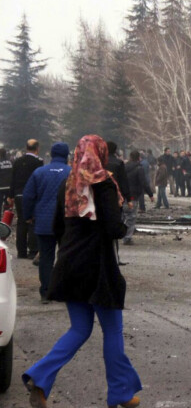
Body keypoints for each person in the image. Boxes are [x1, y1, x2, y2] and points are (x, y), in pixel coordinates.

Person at [22, 135, 141, 408]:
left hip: (69, 265)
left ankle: (39, 378)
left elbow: (57, 226)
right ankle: (120, 393)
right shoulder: (104, 183)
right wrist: (123, 228)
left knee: (79, 329)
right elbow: (113, 227)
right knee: (112, 330)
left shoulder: (69, 183)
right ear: (100, 154)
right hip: (97, 267)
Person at [22, 143, 72, 303]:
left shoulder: (39, 172)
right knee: (66, 256)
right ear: (66, 156)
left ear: (51, 154)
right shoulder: (72, 173)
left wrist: (28, 215)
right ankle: (64, 290)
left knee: (45, 258)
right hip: (67, 222)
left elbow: (28, 196)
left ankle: (46, 292)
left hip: (44, 222)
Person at [8, 139, 43, 259]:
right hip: (32, 195)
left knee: (21, 222)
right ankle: (33, 250)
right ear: (37, 149)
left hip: (18, 195)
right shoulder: (38, 162)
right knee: (32, 221)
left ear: (26, 147)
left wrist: (10, 195)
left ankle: (21, 251)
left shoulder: (17, 161)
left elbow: (13, 179)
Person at [124, 150, 153, 245]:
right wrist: (150, 194)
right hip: (133, 195)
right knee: (131, 216)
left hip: (122, 194)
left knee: (123, 215)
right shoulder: (139, 168)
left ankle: (121, 234)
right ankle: (127, 237)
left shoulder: (123, 167)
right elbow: (144, 183)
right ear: (138, 158)